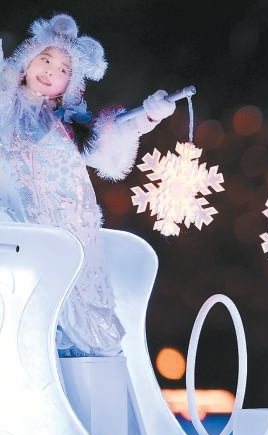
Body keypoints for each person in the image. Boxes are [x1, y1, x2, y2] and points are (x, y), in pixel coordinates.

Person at [0, 14, 175, 357]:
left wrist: (149, 115)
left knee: (76, 330)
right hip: (20, 237)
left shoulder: (68, 125)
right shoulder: (6, 108)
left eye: (64, 69)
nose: (51, 71)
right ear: (27, 61)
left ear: (71, 83)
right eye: (45, 60)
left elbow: (109, 145)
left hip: (71, 237)